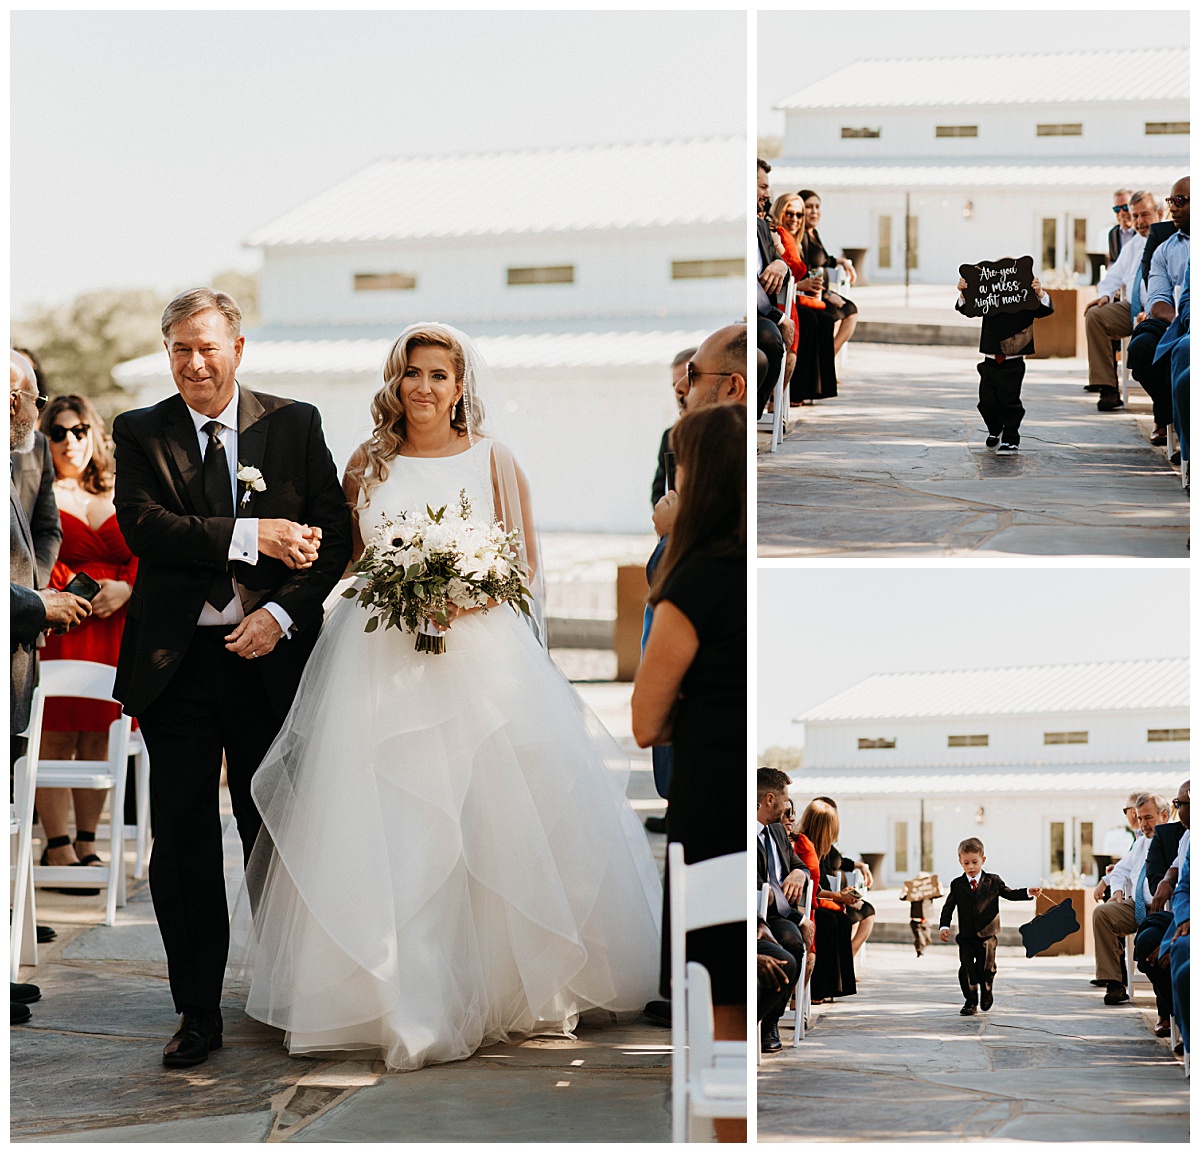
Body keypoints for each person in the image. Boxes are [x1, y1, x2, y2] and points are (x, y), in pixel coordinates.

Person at [239, 323, 661, 1075]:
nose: (424, 387)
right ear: (394, 382)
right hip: (379, 654)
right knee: (394, 818)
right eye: (412, 374)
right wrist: (386, 585)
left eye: (439, 374)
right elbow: (354, 555)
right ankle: (402, 995)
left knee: (488, 818)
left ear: (462, 384)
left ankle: (500, 987)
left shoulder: (495, 459)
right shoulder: (369, 463)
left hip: (480, 656)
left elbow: (524, 561)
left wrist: (462, 593)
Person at [112, 288, 354, 1068]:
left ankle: (289, 994)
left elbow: (335, 536)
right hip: (175, 669)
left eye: (207, 346)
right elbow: (147, 527)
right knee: (181, 843)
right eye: (179, 347)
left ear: (238, 349)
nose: (193, 362)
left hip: (267, 663)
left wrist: (281, 617)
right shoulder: (140, 430)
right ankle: (196, 1011)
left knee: (274, 832)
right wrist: (255, 532)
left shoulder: (295, 424)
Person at [633, 402, 744, 1138]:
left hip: (708, 799)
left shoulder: (692, 583)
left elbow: (646, 720)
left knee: (719, 1009)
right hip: (739, 782)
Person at [10, 360, 91, 1026]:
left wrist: (36, 587)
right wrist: (35, 601)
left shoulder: (28, 450)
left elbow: (46, 526)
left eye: (26, 395)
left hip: (15, 656)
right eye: (9, 394)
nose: (19, 406)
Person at [32, 395, 137, 884]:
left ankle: (87, 842)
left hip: (116, 623)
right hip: (63, 621)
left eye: (79, 430)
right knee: (54, 733)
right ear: (44, 438)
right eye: (58, 433)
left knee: (99, 734)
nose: (70, 441)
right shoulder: (35, 488)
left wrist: (128, 587)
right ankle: (55, 845)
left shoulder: (121, 488)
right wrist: (72, 590)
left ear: (94, 434)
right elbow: (32, 552)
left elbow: (146, 547)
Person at [956, 264, 1054, 453]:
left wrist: (1039, 292)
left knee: (1010, 402)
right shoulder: (989, 298)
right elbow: (966, 308)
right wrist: (964, 293)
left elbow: (1046, 310)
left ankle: (1011, 437)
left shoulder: (1025, 299)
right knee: (986, 402)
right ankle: (995, 429)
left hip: (1013, 360)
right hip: (990, 358)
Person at [938, 837, 1039, 1014]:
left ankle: (987, 990)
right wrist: (944, 926)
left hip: (988, 936)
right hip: (967, 936)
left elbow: (1010, 893)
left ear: (983, 860)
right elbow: (948, 907)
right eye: (966, 863)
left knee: (986, 968)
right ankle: (970, 1002)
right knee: (967, 969)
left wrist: (1027, 892)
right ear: (960, 862)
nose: (971, 867)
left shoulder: (993, 881)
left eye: (974, 862)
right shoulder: (957, 884)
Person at [1090, 792, 1172, 1006]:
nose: (1142, 824)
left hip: (1162, 910)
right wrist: (1116, 892)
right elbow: (1119, 871)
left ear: (1164, 816)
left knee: (1149, 938)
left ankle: (1164, 1006)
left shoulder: (1174, 840)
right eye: (1139, 817)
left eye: (1148, 818)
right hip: (1136, 906)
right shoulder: (1140, 843)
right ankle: (1115, 984)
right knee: (1102, 913)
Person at [1084, 192, 1162, 409]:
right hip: (1131, 308)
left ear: (1159, 213)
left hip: (1159, 310)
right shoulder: (1133, 245)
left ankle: (1162, 405)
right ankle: (1108, 389)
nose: (1139, 221)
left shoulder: (1169, 241)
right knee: (1095, 315)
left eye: (1145, 215)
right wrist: (1105, 296)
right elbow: (1113, 277)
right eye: (1135, 216)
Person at [1127, 176, 1190, 444]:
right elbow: (1156, 300)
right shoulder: (1165, 250)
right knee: (1140, 349)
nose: (1172, 208)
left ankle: (1172, 420)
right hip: (1173, 321)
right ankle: (1172, 417)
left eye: (1180, 201)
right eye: (1170, 201)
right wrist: (1180, 320)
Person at [755, 768, 811, 1052]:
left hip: (778, 915)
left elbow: (799, 864)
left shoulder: (777, 830)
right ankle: (759, 1019)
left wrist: (799, 875)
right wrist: (801, 916)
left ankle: (770, 1023)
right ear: (769, 799)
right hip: (756, 915)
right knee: (787, 941)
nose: (788, 805)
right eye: (785, 798)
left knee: (793, 941)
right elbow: (757, 890)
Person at [769, 193, 838, 406]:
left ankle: (813, 387)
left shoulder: (795, 239)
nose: (795, 218)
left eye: (799, 214)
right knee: (814, 320)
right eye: (789, 213)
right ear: (780, 211)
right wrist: (803, 286)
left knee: (825, 319)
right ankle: (796, 391)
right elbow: (793, 272)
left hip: (793, 298)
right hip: (777, 303)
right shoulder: (777, 235)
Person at [1135, 780, 1188, 1037]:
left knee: (1166, 949)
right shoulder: (1184, 836)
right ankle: (1175, 1014)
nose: (1179, 810)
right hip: (1174, 910)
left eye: (1181, 804)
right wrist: (1167, 880)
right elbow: (1173, 873)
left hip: (1185, 918)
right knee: (1145, 943)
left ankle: (1176, 1018)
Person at [798, 798, 858, 1004]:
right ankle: (817, 988)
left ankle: (835, 985)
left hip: (815, 900)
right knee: (828, 921)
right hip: (801, 904)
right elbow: (812, 888)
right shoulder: (804, 846)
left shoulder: (822, 850)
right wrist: (837, 896)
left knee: (842, 920)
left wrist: (839, 895)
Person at [10, 352, 61, 586]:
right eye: (37, 402)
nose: (39, 412)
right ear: (13, 402)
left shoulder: (38, 446)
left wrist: (35, 587)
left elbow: (47, 528)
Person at [797, 189, 858, 355]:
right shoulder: (802, 236)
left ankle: (827, 362)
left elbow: (823, 259)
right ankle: (826, 364)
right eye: (809, 207)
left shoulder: (813, 233)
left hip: (819, 292)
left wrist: (842, 261)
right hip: (811, 295)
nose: (814, 211)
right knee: (846, 312)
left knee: (847, 312)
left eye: (817, 206)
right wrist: (828, 294)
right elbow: (805, 270)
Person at [756, 159, 792, 418]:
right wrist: (780, 317)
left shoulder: (761, 227)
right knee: (769, 334)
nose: (767, 194)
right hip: (750, 313)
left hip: (762, 313)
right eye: (761, 187)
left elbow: (783, 262)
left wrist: (780, 264)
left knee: (772, 338)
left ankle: (753, 418)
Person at [1107, 188, 1137, 264]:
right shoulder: (1112, 233)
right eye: (1117, 209)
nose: (1121, 213)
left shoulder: (1143, 232)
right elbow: (1113, 260)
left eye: (1125, 207)